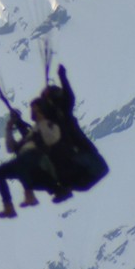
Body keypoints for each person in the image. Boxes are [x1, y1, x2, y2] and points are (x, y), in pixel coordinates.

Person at [0, 92, 65, 218]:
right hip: (27, 161)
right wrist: (9, 128)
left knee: (24, 161)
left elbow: (51, 139)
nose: (33, 112)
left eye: (36, 110)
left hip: (39, 160)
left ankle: (29, 194)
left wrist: (41, 122)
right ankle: (8, 207)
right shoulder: (30, 133)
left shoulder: (49, 125)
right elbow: (11, 148)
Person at [40, 64, 108, 196]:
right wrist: (62, 76)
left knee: (90, 173)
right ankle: (64, 186)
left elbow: (68, 98)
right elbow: (69, 97)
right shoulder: (61, 114)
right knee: (99, 169)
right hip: (78, 154)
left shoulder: (53, 117)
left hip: (74, 157)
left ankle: (64, 186)